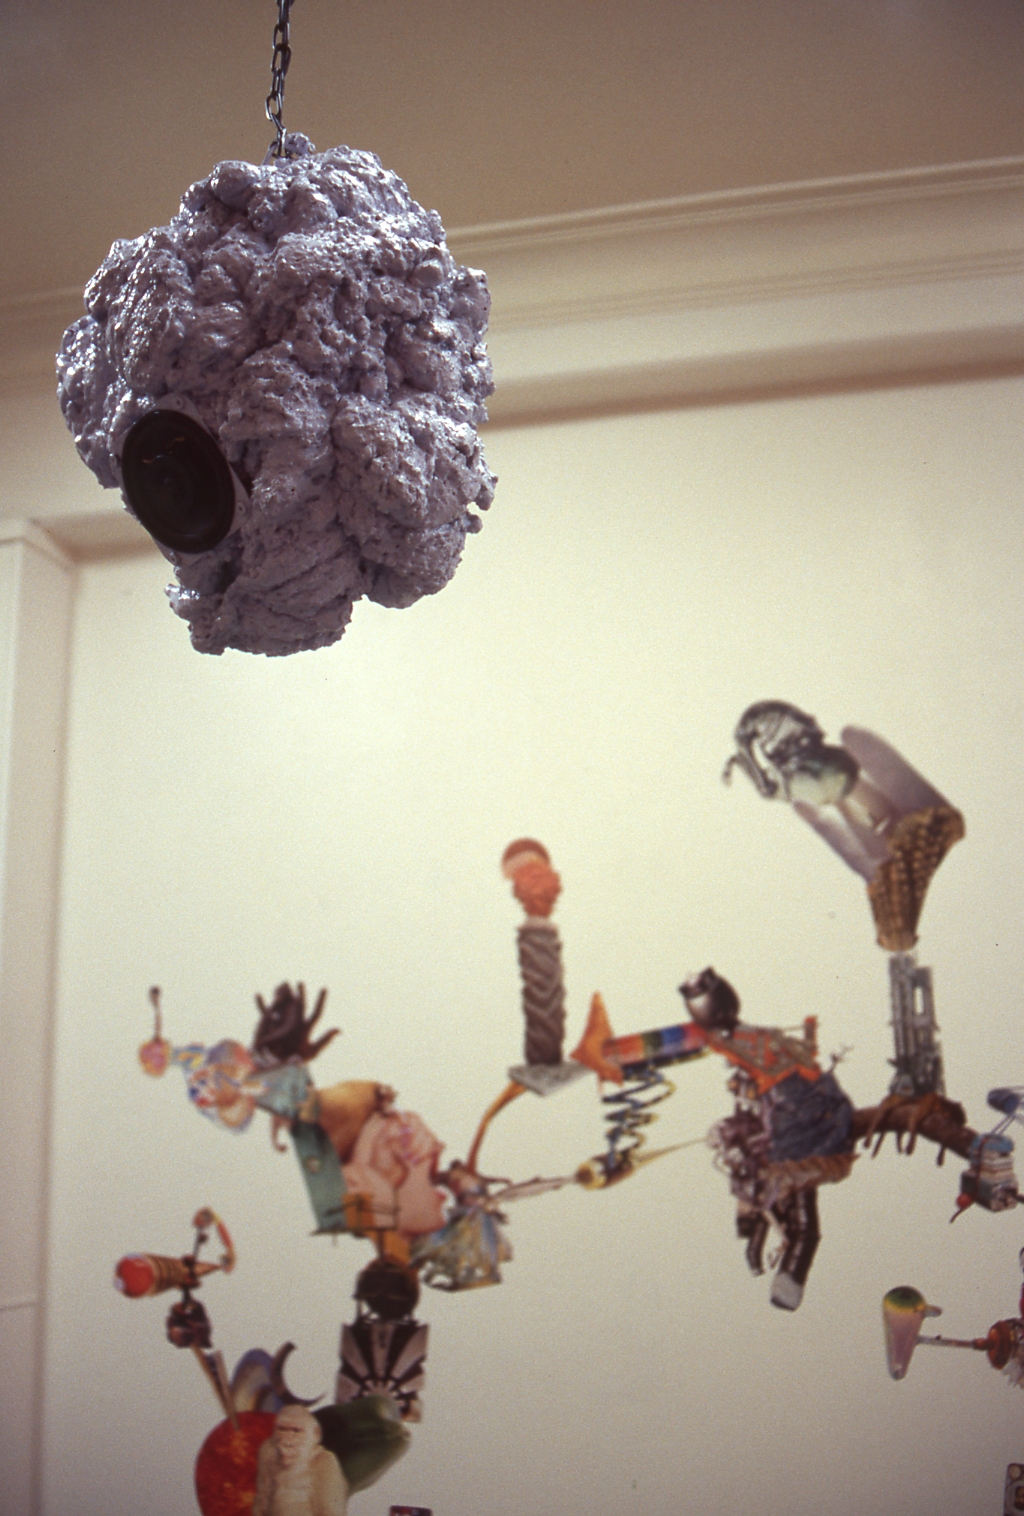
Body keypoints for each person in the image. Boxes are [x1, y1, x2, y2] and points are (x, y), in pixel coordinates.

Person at [253, 1404, 349, 1516]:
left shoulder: (324, 1461)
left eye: (296, 1431)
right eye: (282, 1429)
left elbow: (332, 1513)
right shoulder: (268, 1452)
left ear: (315, 1435)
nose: (287, 1441)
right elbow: (261, 1503)